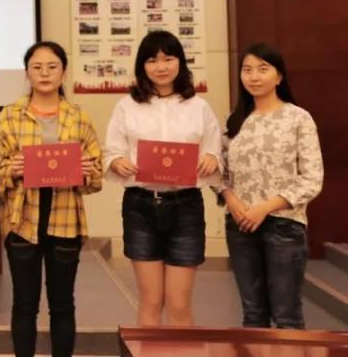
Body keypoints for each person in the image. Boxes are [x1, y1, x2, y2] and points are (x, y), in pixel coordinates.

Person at [103, 30, 221, 326]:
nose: (161, 67)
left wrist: (212, 158)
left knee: (179, 304)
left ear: (180, 62)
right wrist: (117, 162)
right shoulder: (126, 106)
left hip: (186, 207)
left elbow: (214, 150)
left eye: (168, 58)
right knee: (151, 300)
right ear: (142, 66)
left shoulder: (199, 107)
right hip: (141, 206)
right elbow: (112, 152)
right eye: (152, 60)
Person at [0, 41, 102, 357]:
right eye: (37, 67)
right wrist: (11, 169)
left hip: (65, 218)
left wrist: (87, 171)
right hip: (22, 219)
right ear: (27, 72)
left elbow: (96, 173)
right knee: (24, 304)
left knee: (62, 304)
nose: (44, 73)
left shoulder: (79, 117)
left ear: (63, 72)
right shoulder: (10, 115)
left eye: (52, 67)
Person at [220, 43, 323, 329]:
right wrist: (231, 199)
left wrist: (264, 208)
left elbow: (312, 178)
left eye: (263, 69)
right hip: (240, 225)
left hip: (284, 226)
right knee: (253, 315)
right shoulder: (234, 121)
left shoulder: (298, 118)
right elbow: (219, 173)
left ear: (279, 76)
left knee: (286, 316)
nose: (253, 76)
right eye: (247, 70)